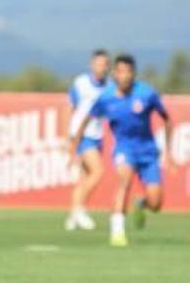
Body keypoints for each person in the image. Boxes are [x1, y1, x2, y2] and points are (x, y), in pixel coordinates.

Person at [70, 54, 174, 247]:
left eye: (128, 72)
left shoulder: (146, 93)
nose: (124, 76)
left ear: (133, 74)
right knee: (124, 181)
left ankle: (142, 203)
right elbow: (86, 120)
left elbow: (166, 119)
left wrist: (169, 151)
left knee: (156, 203)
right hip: (124, 149)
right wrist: (74, 147)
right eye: (120, 71)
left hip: (148, 151)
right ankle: (117, 232)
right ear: (114, 74)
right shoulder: (106, 97)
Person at [64, 49, 111, 231]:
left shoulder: (109, 87)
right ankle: (80, 210)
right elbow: (69, 108)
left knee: (84, 177)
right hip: (82, 135)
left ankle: (72, 216)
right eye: (98, 64)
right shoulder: (81, 83)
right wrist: (68, 136)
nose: (101, 68)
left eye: (104, 64)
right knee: (97, 171)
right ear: (92, 65)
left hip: (97, 134)